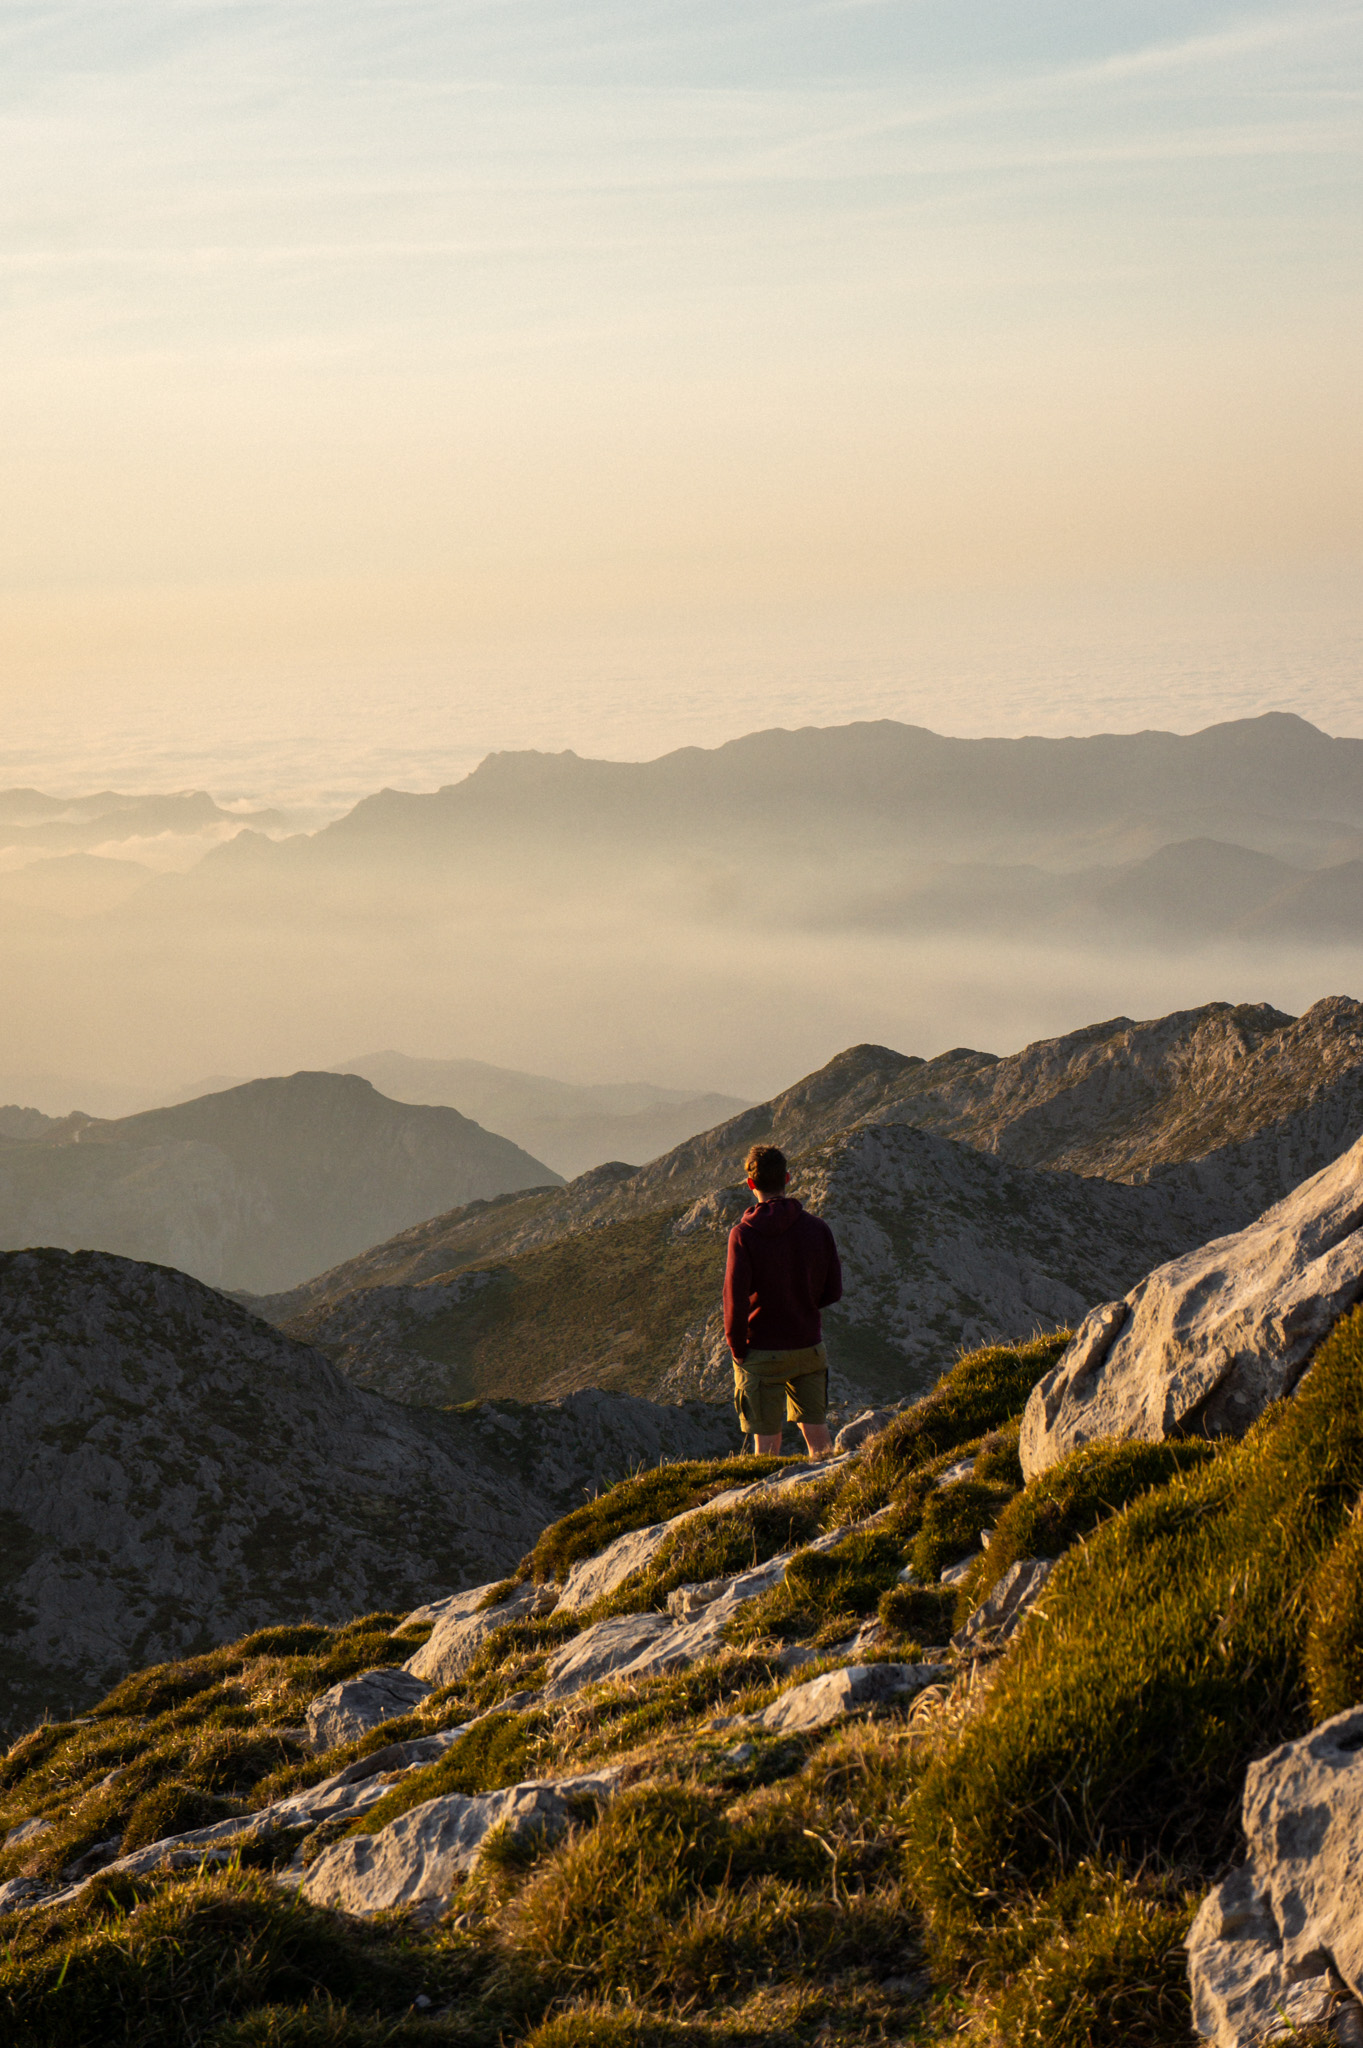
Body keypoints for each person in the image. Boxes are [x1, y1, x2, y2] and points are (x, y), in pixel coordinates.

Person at [723, 1142, 843, 1457]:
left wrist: (738, 1349)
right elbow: (833, 1291)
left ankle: (768, 1503)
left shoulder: (743, 1235)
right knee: (819, 1440)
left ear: (751, 1184)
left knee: (766, 1447)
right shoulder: (818, 1228)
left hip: (762, 1353)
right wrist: (801, 1305)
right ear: (787, 1178)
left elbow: (735, 1301)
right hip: (808, 1346)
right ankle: (830, 1496)